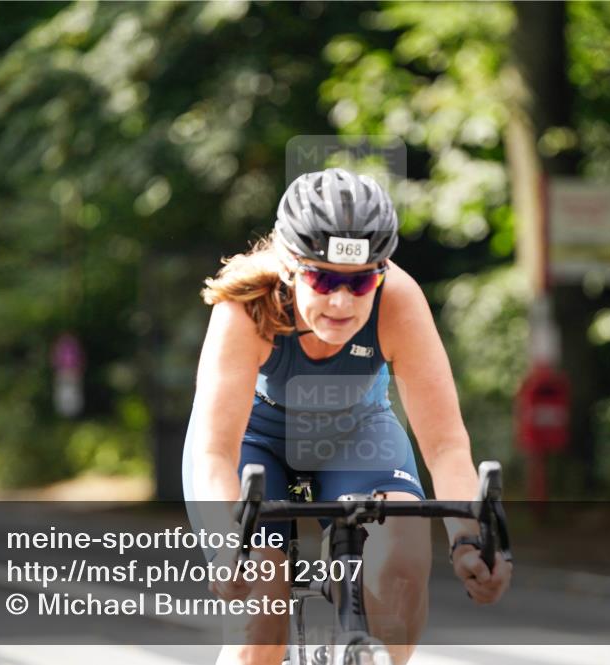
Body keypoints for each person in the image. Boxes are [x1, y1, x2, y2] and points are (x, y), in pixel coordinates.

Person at [182, 168, 512, 665]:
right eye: (323, 278)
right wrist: (230, 544)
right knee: (259, 618)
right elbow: (214, 451)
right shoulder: (247, 307)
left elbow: (446, 445)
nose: (341, 301)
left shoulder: (398, 300)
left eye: (360, 283)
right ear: (290, 267)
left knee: (400, 575)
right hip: (253, 442)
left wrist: (468, 541)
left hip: (356, 434)